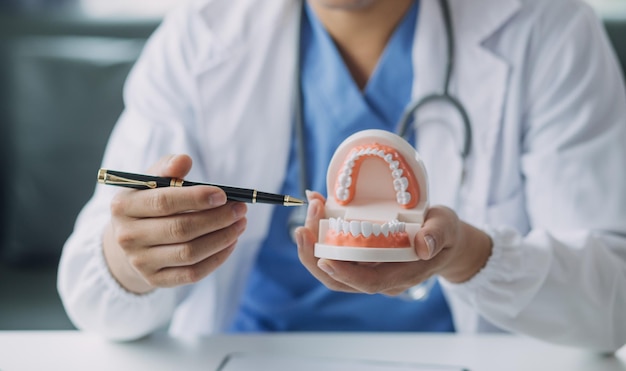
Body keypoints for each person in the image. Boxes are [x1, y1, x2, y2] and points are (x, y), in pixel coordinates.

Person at [58, 0, 626, 352]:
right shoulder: (199, 34)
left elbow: (613, 301)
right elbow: (89, 296)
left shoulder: (547, 27)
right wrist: (132, 256)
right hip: (252, 354)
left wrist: (469, 255)